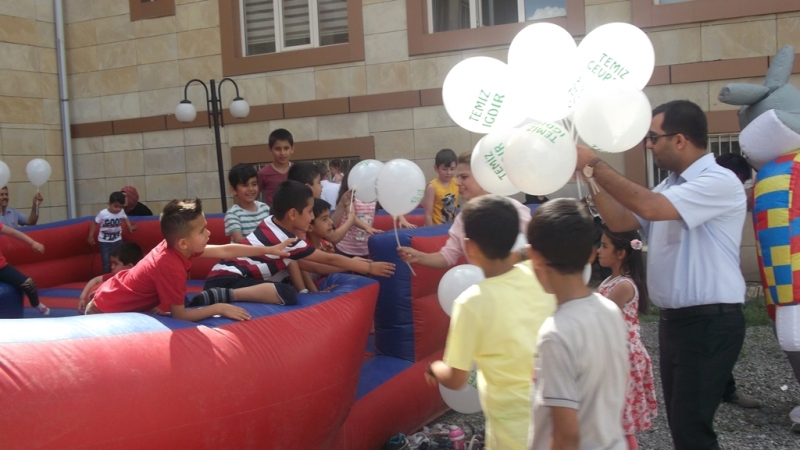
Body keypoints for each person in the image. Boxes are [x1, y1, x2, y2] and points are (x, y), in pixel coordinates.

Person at [576, 100, 747, 450]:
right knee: (684, 427)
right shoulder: (670, 186)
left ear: (680, 139)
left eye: (653, 137)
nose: (649, 145)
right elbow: (621, 221)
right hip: (679, 324)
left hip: (709, 322)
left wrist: (594, 161)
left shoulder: (718, 181)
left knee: (691, 429)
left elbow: (648, 208)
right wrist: (589, 176)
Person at [425, 195, 555, 450]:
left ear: (470, 248)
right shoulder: (538, 274)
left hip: (512, 429)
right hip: (557, 414)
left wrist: (436, 368)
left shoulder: (471, 303)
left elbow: (456, 379)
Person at [85, 199, 296, 322]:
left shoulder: (177, 247)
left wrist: (269, 249)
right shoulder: (171, 265)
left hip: (109, 296)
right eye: (203, 230)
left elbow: (225, 250)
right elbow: (180, 315)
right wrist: (219, 308)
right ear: (184, 243)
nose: (209, 233)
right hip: (104, 309)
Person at [526, 198, 628, 450]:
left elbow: (566, 436)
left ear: (533, 256)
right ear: (592, 255)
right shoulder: (610, 310)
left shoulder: (556, 335)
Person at [197, 181, 395, 308]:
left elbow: (310, 264)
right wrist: (368, 266)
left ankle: (223, 294)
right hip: (226, 280)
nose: (311, 216)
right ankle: (224, 296)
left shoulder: (271, 223)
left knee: (283, 288)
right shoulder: (285, 239)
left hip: (227, 277)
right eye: (309, 211)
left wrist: (350, 267)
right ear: (293, 214)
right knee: (286, 293)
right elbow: (328, 258)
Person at [397, 151, 531, 269]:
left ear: (482, 177)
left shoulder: (512, 209)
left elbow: (537, 246)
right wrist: (419, 257)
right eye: (458, 176)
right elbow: (447, 255)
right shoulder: (463, 218)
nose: (457, 182)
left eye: (464, 177)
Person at [596, 229, 658, 450]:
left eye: (604, 246)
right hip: (615, 353)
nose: (598, 250)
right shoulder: (612, 280)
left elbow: (599, 316)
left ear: (621, 253)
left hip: (623, 357)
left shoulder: (623, 285)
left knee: (621, 421)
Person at [714, 153, 762, 409]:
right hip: (713, 283)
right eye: (740, 180)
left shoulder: (723, 193)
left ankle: (723, 388)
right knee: (723, 338)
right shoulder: (714, 195)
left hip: (722, 278)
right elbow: (746, 199)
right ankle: (720, 390)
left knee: (722, 339)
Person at [78, 242, 143, 313]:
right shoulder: (114, 276)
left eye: (115, 264)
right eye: (112, 263)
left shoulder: (140, 283)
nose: (112, 267)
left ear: (129, 267)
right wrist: (82, 297)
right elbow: (95, 280)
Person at [0, 221, 48, 315]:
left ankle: (35, 303)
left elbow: (12, 232)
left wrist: (32, 243)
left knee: (29, 284)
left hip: (1, 267)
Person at [88, 192, 138, 274]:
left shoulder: (121, 212)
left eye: (120, 207)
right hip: (105, 242)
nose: (118, 209)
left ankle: (122, 275)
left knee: (122, 258)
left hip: (117, 239)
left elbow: (125, 218)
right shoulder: (103, 213)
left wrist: (130, 227)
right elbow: (95, 223)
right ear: (109, 204)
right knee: (106, 262)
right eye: (115, 206)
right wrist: (90, 236)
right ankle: (107, 278)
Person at [225, 163, 270, 243]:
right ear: (233, 190)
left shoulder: (265, 208)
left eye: (254, 184)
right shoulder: (233, 214)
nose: (251, 189)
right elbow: (239, 240)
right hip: (243, 254)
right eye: (245, 185)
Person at [258, 128, 294, 208]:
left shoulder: (297, 170)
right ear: (270, 150)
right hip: (273, 216)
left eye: (286, 148)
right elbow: (253, 196)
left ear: (292, 149)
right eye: (278, 149)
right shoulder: (263, 173)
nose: (282, 153)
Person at [422, 148, 459, 226]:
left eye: (452, 169)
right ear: (436, 168)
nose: (448, 173)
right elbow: (428, 215)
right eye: (444, 169)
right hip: (437, 228)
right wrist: (431, 232)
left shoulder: (456, 183)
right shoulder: (432, 187)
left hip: (451, 227)